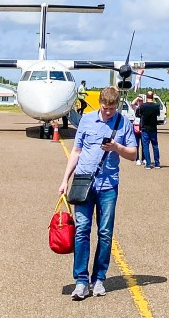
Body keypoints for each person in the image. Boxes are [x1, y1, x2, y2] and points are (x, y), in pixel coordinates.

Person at [58, 85, 137, 300]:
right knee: (82, 229)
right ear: (100, 104)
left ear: (117, 105)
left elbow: (133, 153)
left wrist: (117, 148)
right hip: (84, 182)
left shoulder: (123, 123)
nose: (108, 112)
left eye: (111, 108)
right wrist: (65, 179)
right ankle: (81, 281)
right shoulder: (87, 120)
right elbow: (77, 150)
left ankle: (99, 278)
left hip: (108, 185)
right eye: (105, 108)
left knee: (104, 232)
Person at [138, 90, 162, 168]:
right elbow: (158, 114)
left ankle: (148, 164)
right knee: (155, 146)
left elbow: (138, 114)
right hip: (153, 128)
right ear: (153, 96)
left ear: (146, 96)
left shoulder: (143, 106)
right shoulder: (156, 106)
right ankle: (157, 163)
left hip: (145, 128)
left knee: (145, 146)